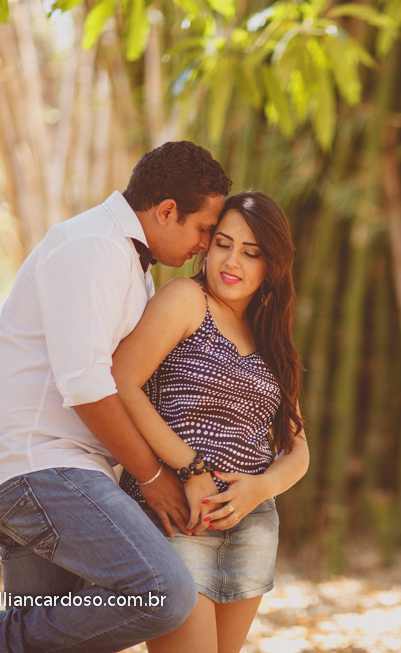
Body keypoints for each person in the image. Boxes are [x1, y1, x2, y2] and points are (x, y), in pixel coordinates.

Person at [0, 141, 231, 653]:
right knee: (164, 593)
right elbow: (85, 385)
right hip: (35, 467)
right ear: (166, 210)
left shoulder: (129, 263)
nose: (205, 245)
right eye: (203, 230)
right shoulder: (93, 246)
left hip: (45, 469)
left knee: (52, 641)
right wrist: (153, 477)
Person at [110, 191, 308, 653]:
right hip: (179, 515)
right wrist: (191, 468)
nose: (231, 261)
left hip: (252, 523)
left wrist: (260, 489)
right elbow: (122, 381)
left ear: (271, 265)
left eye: (251, 252)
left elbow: (299, 451)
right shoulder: (186, 298)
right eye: (223, 243)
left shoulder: (271, 334)